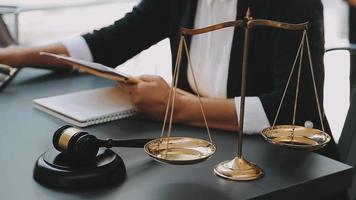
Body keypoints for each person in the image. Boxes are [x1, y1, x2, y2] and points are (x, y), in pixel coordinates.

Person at [0, 0, 341, 161]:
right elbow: (106, 44)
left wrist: (181, 107)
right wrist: (13, 54)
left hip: (291, 165)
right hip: (208, 152)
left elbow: (295, 112)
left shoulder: (293, 4)